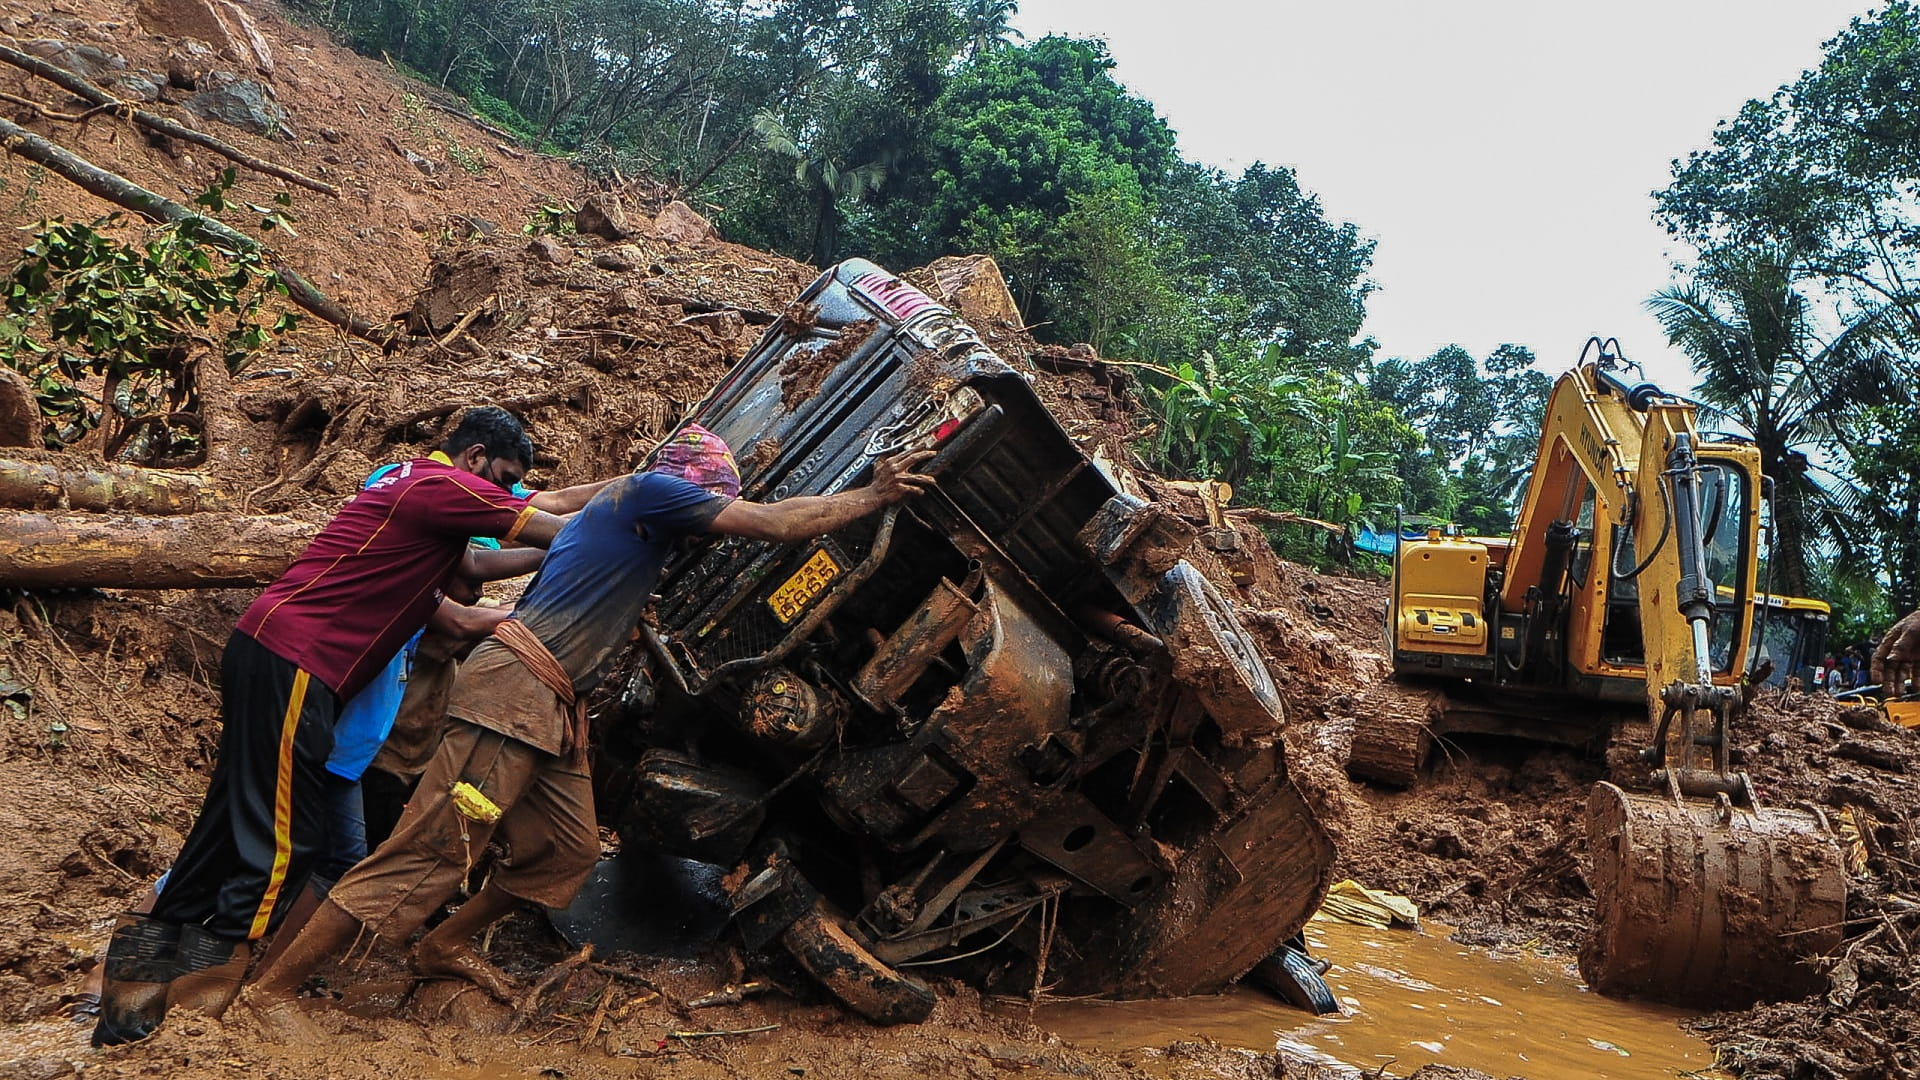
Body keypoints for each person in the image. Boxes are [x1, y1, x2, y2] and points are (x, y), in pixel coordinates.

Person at [244, 425, 936, 1023]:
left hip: (552, 708)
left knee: (568, 852)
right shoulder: (651, 495)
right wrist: (873, 496)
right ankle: (268, 993)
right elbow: (776, 521)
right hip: (515, 693)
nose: (711, 512)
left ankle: (440, 946)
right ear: (686, 488)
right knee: (427, 852)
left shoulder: (626, 503)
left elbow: (559, 502)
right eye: (709, 498)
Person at [93, 406, 611, 1047]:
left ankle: (133, 988)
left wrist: (622, 491)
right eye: (501, 479)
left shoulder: (417, 511)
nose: (503, 495)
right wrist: (638, 525)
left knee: (232, 819)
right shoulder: (440, 485)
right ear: (475, 458)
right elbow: (557, 526)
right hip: (299, 659)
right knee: (284, 837)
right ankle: (205, 994)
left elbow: (489, 558)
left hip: (273, 647)